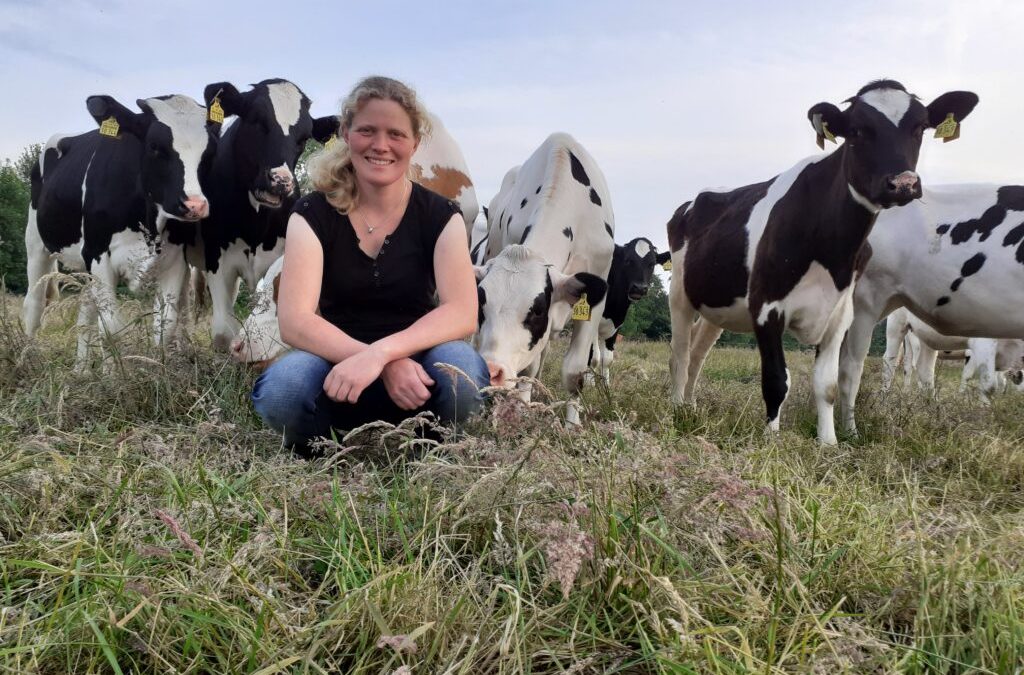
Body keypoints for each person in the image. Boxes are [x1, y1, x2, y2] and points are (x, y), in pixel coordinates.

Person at [251, 76, 488, 452]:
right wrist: (372, 360)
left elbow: (461, 313)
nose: (381, 145)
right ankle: (327, 445)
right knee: (283, 390)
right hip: (335, 368)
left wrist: (384, 355)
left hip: (418, 375)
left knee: (463, 372)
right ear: (345, 134)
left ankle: (429, 446)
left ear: (415, 143)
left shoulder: (442, 215)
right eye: (367, 131)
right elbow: (295, 321)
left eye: (395, 134)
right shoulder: (312, 214)